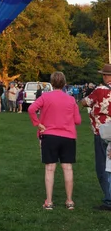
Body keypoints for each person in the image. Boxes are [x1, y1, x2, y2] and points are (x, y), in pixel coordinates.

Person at [28, 71, 81, 210]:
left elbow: (31, 108)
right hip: (68, 137)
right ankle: (69, 201)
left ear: (51, 83)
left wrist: (37, 123)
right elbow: (78, 120)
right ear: (64, 83)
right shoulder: (70, 99)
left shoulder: (45, 97)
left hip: (49, 135)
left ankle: (49, 202)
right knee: (67, 168)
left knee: (50, 168)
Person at [81, 63, 111, 211]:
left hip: (103, 131)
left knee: (103, 166)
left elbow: (85, 102)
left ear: (106, 76)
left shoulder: (100, 90)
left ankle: (108, 199)